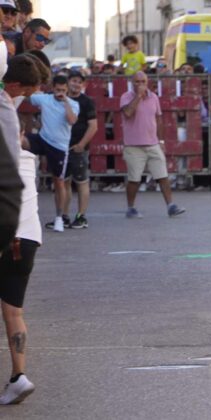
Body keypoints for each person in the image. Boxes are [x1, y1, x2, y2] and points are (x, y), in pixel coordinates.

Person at [0, 52, 42, 405]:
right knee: (14, 310)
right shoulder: (30, 161)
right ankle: (19, 375)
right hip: (28, 238)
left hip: (4, 229)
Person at [120, 71, 185, 218]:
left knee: (163, 176)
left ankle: (171, 206)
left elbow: (159, 119)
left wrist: (161, 141)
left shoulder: (154, 97)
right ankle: (131, 207)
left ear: (147, 82)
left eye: (143, 81)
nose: (141, 85)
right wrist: (138, 97)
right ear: (132, 83)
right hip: (134, 146)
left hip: (152, 143)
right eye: (137, 82)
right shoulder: (126, 97)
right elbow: (128, 113)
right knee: (134, 179)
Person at [25, 75, 79, 232]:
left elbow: (71, 120)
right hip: (43, 139)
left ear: (67, 90)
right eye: (57, 90)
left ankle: (59, 217)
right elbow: (26, 96)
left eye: (63, 90)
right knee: (20, 140)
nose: (60, 93)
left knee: (59, 181)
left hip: (59, 146)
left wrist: (65, 102)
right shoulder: (45, 99)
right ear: (52, 88)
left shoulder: (73, 104)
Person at [60, 71, 97, 229]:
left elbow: (93, 126)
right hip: (62, 146)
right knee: (64, 182)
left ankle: (81, 216)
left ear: (84, 85)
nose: (76, 84)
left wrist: (82, 144)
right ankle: (64, 215)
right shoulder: (61, 99)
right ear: (67, 83)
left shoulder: (87, 102)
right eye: (73, 81)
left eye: (79, 82)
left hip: (79, 147)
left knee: (82, 181)